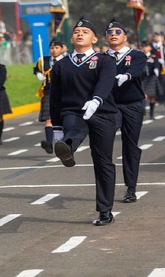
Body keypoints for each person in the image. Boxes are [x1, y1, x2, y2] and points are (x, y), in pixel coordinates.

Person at [50, 16, 118, 226]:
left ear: (94, 39)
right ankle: (67, 147)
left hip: (103, 112)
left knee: (103, 161)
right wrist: (56, 128)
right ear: (71, 38)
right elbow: (55, 98)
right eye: (76, 32)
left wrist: (96, 100)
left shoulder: (105, 61)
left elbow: (105, 83)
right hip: (74, 111)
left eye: (85, 32)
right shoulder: (61, 65)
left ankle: (105, 210)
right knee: (74, 127)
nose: (80, 34)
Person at [105, 18, 146, 203]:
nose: (113, 35)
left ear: (125, 36)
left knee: (130, 146)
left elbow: (137, 70)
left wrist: (127, 75)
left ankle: (131, 187)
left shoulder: (136, 55)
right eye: (110, 32)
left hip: (132, 105)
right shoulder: (101, 58)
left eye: (117, 32)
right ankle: (107, 188)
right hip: (110, 106)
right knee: (104, 143)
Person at [33, 39, 65, 153]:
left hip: (64, 92)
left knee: (63, 119)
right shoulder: (43, 61)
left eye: (56, 48)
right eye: (52, 48)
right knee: (49, 119)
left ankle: (62, 143)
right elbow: (36, 69)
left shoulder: (67, 60)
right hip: (48, 91)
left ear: (61, 49)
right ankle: (49, 144)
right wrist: (39, 74)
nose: (54, 50)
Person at [141, 41, 162, 120]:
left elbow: (156, 64)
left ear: (150, 48)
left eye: (146, 47)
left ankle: (152, 113)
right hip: (142, 78)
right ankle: (143, 109)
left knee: (152, 96)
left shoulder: (153, 57)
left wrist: (156, 69)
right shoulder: (140, 57)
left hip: (151, 77)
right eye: (143, 47)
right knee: (142, 95)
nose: (145, 48)